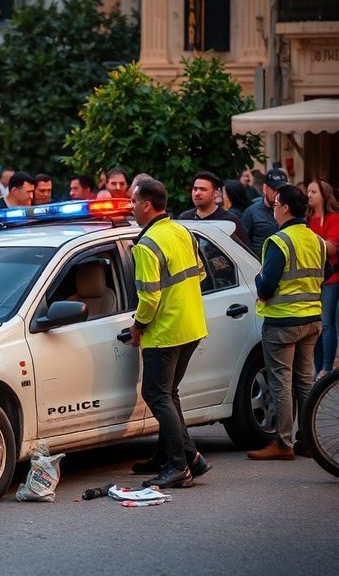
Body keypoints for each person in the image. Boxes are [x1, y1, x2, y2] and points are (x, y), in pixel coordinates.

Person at [126, 177, 211, 488]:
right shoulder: (182, 231)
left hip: (166, 332)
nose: (131, 206)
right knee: (168, 394)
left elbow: (149, 298)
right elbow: (200, 274)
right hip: (192, 326)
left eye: (134, 201)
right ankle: (191, 458)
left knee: (156, 394)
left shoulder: (146, 245)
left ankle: (178, 466)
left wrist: (137, 327)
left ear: (147, 205)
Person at [249, 184, 328, 461]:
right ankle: (309, 439)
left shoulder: (280, 241)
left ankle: (282, 443)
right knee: (304, 381)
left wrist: (258, 278)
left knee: (280, 381)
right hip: (312, 320)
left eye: (275, 205)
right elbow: (326, 271)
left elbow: (266, 286)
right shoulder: (315, 239)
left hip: (283, 322)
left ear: (283, 208)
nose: (273, 210)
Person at [306, 179, 339, 378]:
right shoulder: (307, 220)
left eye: (313, 192)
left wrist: (309, 239)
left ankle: (327, 368)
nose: (309, 195)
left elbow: (332, 247)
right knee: (316, 325)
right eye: (308, 191)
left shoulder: (334, 218)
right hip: (313, 278)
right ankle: (318, 369)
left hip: (332, 278)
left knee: (327, 323)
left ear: (323, 195)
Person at [178, 171, 250, 247]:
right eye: (195, 189)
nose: (197, 193)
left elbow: (246, 253)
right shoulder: (184, 219)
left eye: (203, 189)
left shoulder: (230, 222)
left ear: (215, 193)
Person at [243, 168, 288, 258]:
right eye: (274, 189)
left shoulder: (289, 210)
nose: (277, 194)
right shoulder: (251, 212)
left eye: (281, 190)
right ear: (265, 188)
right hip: (259, 266)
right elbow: (243, 244)